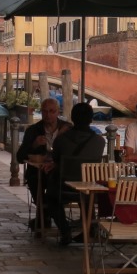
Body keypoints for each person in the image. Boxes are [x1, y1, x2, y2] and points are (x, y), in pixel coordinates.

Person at [43, 101, 106, 246]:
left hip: (63, 188)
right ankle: (88, 227)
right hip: (89, 189)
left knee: (50, 198)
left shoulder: (61, 140)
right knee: (85, 191)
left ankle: (65, 230)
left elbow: (56, 159)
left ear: (72, 118)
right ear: (91, 119)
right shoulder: (100, 142)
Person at [16, 97, 71, 233]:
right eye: (45, 112)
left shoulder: (67, 129)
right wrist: (34, 145)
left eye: (52, 111)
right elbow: (19, 157)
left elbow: (71, 152)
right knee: (34, 180)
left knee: (58, 183)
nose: (48, 115)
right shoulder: (33, 130)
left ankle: (47, 214)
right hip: (38, 172)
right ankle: (45, 214)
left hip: (59, 171)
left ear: (58, 112)